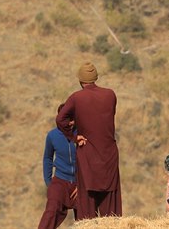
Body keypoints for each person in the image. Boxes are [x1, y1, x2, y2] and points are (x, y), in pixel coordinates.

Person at [56, 62, 122, 220]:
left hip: (87, 153)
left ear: (80, 80)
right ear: (96, 78)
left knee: (87, 200)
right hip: (109, 154)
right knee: (110, 200)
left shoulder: (76, 97)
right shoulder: (110, 94)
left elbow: (60, 119)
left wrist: (73, 136)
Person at [38, 105, 77, 229]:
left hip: (80, 182)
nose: (70, 123)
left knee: (87, 218)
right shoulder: (52, 136)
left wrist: (83, 184)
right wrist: (49, 182)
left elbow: (92, 161)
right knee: (51, 212)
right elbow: (47, 158)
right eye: (66, 120)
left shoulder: (83, 133)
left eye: (72, 119)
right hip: (60, 180)